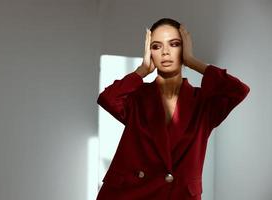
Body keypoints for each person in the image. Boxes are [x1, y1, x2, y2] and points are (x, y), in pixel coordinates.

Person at [96, 18, 250, 200]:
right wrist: (142, 70)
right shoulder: (137, 97)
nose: (166, 52)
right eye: (156, 46)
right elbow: (107, 98)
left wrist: (192, 61)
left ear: (184, 49)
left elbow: (238, 90)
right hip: (130, 193)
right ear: (149, 52)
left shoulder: (203, 103)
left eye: (174, 44)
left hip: (179, 195)